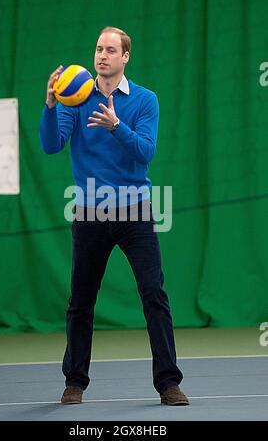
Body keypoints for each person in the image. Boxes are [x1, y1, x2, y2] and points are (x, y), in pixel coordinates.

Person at [39, 26, 189, 406]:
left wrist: (116, 126)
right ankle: (74, 382)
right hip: (89, 213)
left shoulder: (144, 100)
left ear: (125, 57)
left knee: (154, 294)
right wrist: (51, 105)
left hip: (135, 212)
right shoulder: (75, 99)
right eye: (98, 49)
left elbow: (146, 152)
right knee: (81, 301)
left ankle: (168, 383)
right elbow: (51, 144)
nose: (102, 55)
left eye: (111, 50)